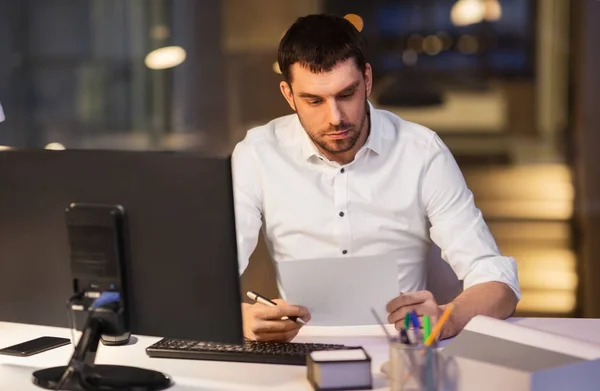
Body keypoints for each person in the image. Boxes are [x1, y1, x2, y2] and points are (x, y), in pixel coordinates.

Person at [232, 14, 520, 342]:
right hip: (298, 351)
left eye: (346, 94)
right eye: (314, 101)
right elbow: (211, 275)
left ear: (367, 80)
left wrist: (447, 318)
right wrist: (238, 317)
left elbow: (499, 283)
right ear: (288, 95)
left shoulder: (422, 151)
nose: (335, 117)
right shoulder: (258, 153)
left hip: (407, 347)